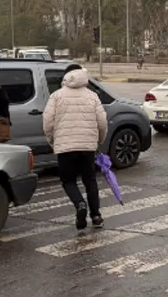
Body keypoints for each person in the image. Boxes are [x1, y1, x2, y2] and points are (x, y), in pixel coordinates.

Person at [43, 63, 108, 230]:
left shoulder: (56, 96)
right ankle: (96, 216)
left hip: (65, 147)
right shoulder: (92, 96)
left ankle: (80, 204)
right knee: (90, 180)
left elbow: (48, 122)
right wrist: (99, 141)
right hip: (87, 147)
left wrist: (52, 141)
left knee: (68, 181)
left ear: (65, 76)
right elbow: (102, 122)